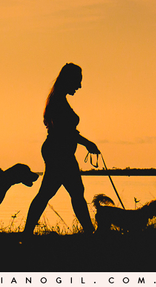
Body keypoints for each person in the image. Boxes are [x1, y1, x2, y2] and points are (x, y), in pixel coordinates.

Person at [22, 62, 99, 233]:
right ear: (69, 80)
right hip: (59, 152)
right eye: (78, 81)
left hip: (57, 151)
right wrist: (88, 144)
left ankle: (27, 233)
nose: (80, 86)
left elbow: (67, 131)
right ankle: (90, 232)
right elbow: (65, 132)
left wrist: (85, 143)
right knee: (73, 192)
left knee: (52, 192)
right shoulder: (58, 102)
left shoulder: (58, 100)